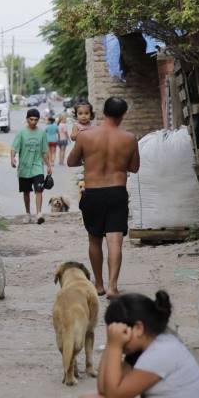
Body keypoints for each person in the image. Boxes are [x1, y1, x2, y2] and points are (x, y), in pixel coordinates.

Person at [67, 97, 139, 296]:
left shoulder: (85, 136)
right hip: (117, 192)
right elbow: (134, 167)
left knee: (94, 240)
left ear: (103, 112)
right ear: (123, 115)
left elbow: (71, 162)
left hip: (93, 193)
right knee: (115, 241)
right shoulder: (129, 138)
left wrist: (88, 157)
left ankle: (98, 285)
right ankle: (113, 286)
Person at [11, 107, 53, 224]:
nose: (33, 122)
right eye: (31, 119)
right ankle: (28, 213)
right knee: (26, 192)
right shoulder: (21, 133)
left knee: (39, 190)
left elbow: (45, 151)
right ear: (27, 119)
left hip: (37, 167)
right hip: (24, 168)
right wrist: (12, 158)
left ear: (38, 120)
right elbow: (14, 147)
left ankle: (39, 213)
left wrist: (49, 165)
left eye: (36, 120)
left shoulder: (41, 133)